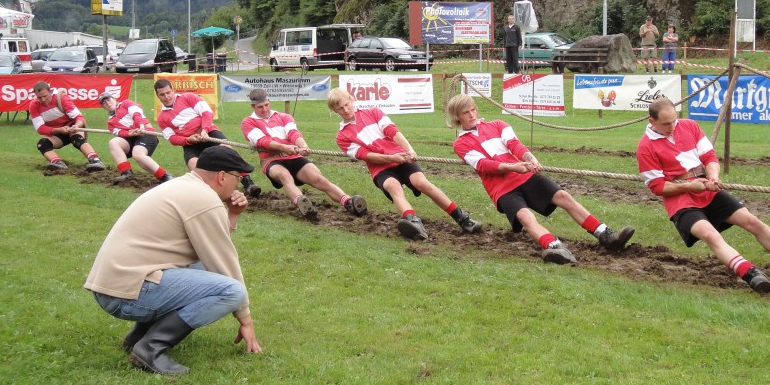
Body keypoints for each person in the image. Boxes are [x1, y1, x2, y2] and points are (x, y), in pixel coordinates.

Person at [84, 145, 263, 375]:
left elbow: (209, 245)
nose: (238, 185)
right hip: (124, 295)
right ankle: (151, 348)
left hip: (113, 287)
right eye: (237, 178)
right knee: (232, 291)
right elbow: (223, 261)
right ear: (222, 176)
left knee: (201, 267)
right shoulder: (204, 199)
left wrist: (232, 215)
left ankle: (139, 336)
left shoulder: (183, 186)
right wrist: (245, 319)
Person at [638, 98, 770, 292]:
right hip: (681, 201)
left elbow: (709, 157)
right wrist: (688, 186)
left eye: (674, 121)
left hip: (706, 189)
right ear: (652, 121)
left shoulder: (689, 126)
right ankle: (752, 275)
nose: (672, 127)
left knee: (751, 221)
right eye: (666, 124)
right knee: (711, 235)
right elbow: (657, 186)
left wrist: (713, 176)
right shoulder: (645, 147)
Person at [445, 93, 634, 264]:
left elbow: (514, 144)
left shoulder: (498, 124)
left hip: (524, 175)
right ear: (457, 117)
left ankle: (606, 235)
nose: (472, 115)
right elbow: (483, 165)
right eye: (466, 112)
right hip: (501, 189)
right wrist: (513, 167)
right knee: (525, 216)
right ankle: (554, 247)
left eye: (473, 109)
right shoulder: (460, 144)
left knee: (563, 196)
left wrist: (529, 157)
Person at [328, 88, 482, 240]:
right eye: (340, 108)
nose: (346, 110)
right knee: (393, 186)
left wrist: (409, 150)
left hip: (402, 157)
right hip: (380, 167)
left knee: (421, 182)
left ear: (352, 99)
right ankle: (413, 223)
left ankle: (462, 219)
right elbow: (366, 155)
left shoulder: (374, 112)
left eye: (347, 104)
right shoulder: (342, 137)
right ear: (334, 110)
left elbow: (392, 131)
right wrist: (391, 158)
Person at [240, 88, 366, 218]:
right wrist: (284, 147)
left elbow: (293, 133)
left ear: (269, 101)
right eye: (260, 107)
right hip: (271, 159)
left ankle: (348, 202)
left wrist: (303, 145)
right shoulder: (248, 122)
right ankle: (302, 203)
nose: (265, 109)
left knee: (319, 179)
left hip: (293, 156)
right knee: (284, 176)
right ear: (253, 106)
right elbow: (262, 141)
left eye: (266, 105)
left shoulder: (284, 117)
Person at [154, 78, 261, 197]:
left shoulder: (188, 97)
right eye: (162, 94)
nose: (166, 97)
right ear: (157, 96)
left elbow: (207, 112)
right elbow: (172, 139)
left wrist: (204, 130)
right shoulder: (161, 118)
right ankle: (215, 192)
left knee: (227, 150)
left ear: (173, 90)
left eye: (168, 92)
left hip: (209, 133)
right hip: (190, 143)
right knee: (194, 165)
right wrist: (188, 140)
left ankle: (248, 183)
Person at [28, 80, 105, 172]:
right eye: (39, 97)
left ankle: (95, 160)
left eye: (45, 96)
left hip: (72, 127)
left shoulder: (61, 98)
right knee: (42, 143)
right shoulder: (34, 105)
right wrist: (59, 130)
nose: (43, 100)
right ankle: (57, 163)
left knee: (77, 138)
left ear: (50, 92)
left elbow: (79, 118)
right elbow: (40, 128)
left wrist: (76, 126)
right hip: (57, 132)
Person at [98, 90, 171, 184]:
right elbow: (120, 132)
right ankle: (126, 173)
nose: (107, 103)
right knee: (113, 142)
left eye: (108, 100)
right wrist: (130, 134)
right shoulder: (110, 123)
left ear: (114, 99)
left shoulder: (126, 103)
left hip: (146, 133)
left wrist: (140, 125)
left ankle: (165, 177)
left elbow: (136, 113)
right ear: (103, 107)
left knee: (138, 155)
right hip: (132, 139)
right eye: (104, 103)